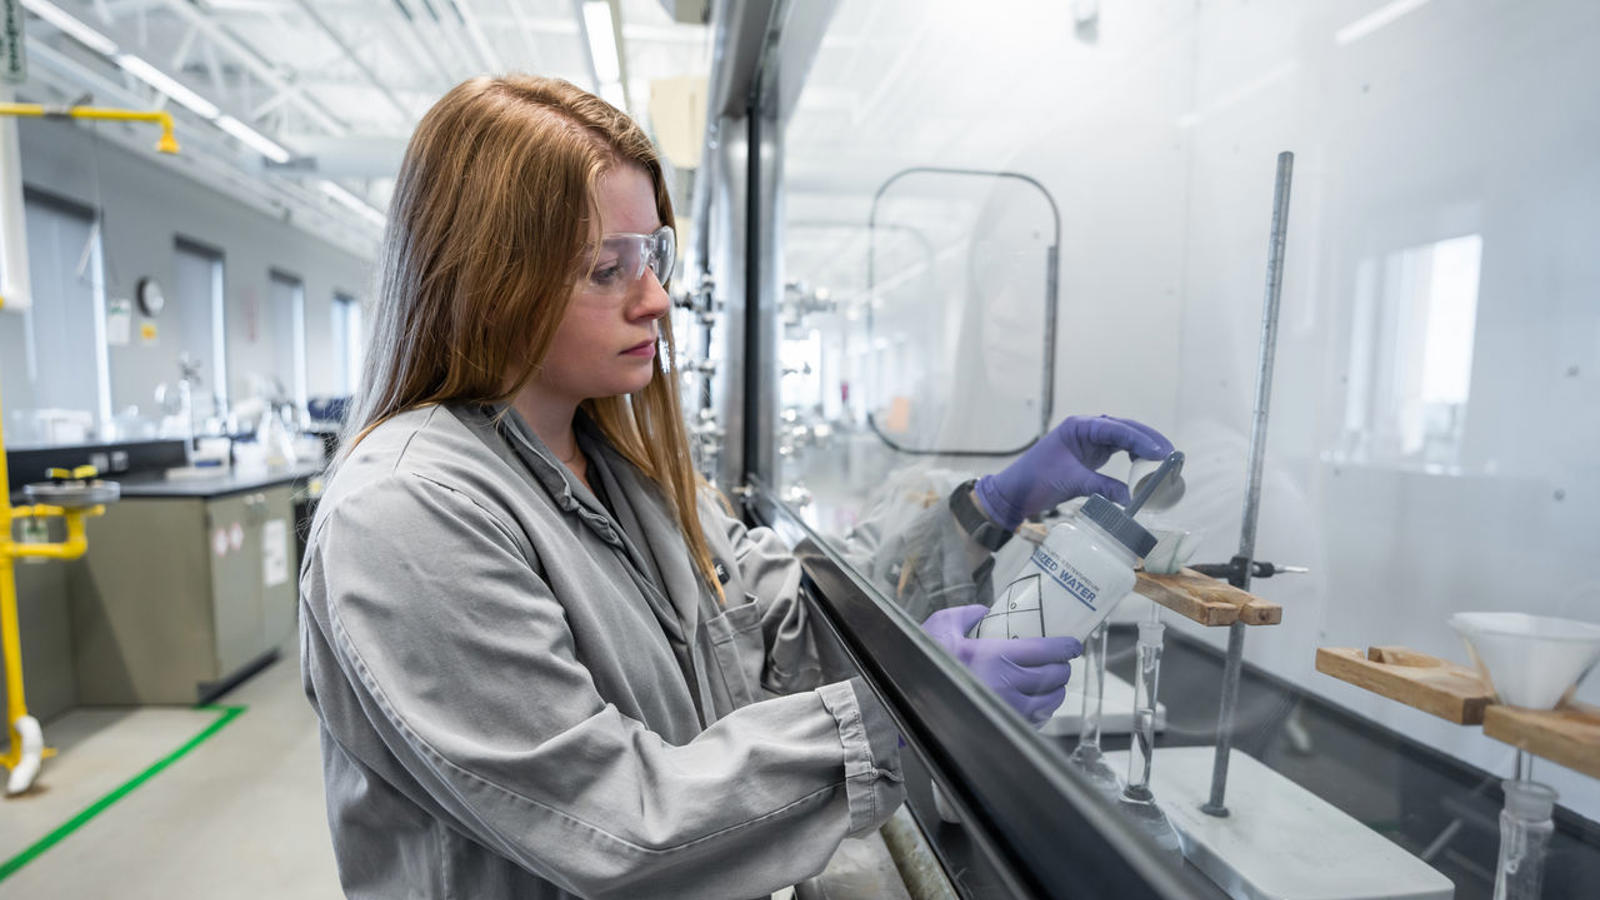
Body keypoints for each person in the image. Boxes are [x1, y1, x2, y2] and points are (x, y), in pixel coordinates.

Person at [298, 74, 1173, 900]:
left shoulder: (620, 471)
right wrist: (901, 716)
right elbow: (617, 825)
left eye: (654, 257)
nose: (657, 301)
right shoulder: (408, 514)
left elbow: (782, 629)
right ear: (486, 280)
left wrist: (990, 509)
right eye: (608, 269)